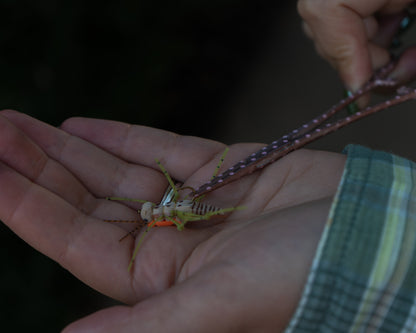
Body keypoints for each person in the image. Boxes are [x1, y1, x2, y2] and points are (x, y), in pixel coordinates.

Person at [1, 2, 416, 333]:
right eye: (147, 216)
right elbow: (168, 208)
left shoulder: (167, 211)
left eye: (146, 214)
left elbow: (169, 196)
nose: (146, 215)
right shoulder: (163, 218)